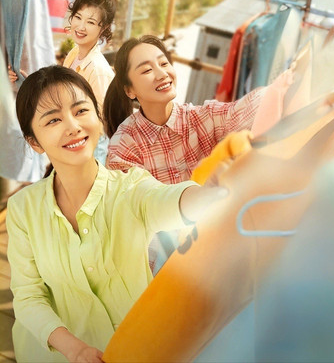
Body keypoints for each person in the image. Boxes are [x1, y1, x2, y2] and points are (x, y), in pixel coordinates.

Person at [7, 65, 226, 362]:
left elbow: (166, 200)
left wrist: (208, 194)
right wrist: (75, 349)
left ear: (98, 118)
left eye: (81, 110)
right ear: (34, 142)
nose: (73, 126)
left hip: (133, 351)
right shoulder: (22, 209)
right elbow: (28, 297)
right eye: (54, 119)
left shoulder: (131, 187)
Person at [102, 35, 269, 274]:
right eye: (147, 70)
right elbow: (137, 212)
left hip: (214, 253)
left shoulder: (199, 117)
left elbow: (243, 112)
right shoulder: (124, 146)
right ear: (130, 90)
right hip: (161, 269)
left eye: (164, 63)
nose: (161, 74)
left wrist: (285, 86)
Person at [10, 0, 117, 164]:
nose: (81, 26)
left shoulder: (98, 70)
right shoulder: (75, 54)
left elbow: (101, 124)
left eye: (90, 22)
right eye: (78, 17)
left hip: (90, 149)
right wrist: (29, 83)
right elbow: (62, 93)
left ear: (104, 28)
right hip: (72, 141)